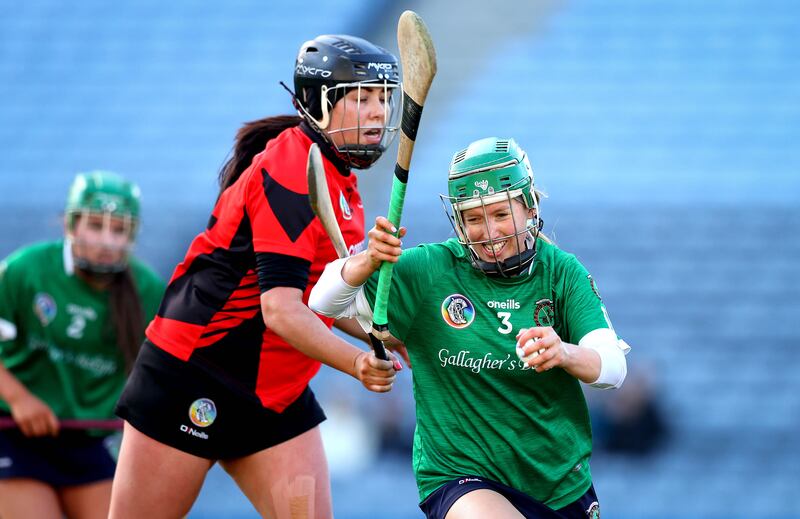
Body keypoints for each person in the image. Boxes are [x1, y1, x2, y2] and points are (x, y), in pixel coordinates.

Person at [109, 34, 403, 519]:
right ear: (319, 103)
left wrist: (387, 337)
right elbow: (281, 310)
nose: (377, 112)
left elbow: (326, 299)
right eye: (362, 97)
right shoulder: (290, 168)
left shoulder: (341, 180)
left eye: (383, 98)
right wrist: (357, 364)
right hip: (195, 375)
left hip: (277, 394)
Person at [310, 137, 632, 519]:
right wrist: (365, 261)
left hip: (559, 483)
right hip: (459, 476)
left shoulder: (562, 273)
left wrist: (564, 352)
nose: (488, 232)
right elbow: (323, 301)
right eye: (473, 218)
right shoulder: (431, 270)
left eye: (500, 214)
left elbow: (613, 368)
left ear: (529, 208)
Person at [0, 171, 164, 519]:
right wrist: (18, 398)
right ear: (70, 225)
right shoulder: (25, 270)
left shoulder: (148, 290)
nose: (107, 241)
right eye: (95, 225)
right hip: (14, 435)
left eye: (119, 229)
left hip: (90, 440)